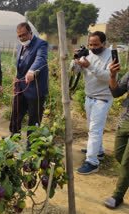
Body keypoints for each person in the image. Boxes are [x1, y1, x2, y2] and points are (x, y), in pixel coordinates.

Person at [70, 31, 113, 175]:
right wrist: (75, 61)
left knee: (94, 129)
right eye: (90, 44)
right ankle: (99, 151)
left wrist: (90, 66)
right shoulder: (87, 54)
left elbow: (109, 77)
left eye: (96, 44)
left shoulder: (111, 55)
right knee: (91, 127)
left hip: (102, 98)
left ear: (104, 44)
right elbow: (76, 71)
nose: (93, 47)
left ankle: (92, 162)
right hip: (89, 97)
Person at [9, 22, 48, 144]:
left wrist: (32, 71)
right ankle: (14, 137)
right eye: (19, 36)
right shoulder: (21, 45)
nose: (22, 38)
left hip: (34, 89)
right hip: (20, 86)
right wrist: (16, 76)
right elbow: (21, 64)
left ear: (31, 33)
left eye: (24, 35)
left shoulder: (41, 44)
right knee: (15, 113)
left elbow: (40, 59)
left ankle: (31, 144)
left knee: (34, 118)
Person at [105, 60, 128, 209]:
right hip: (125, 120)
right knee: (119, 155)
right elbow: (116, 91)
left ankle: (117, 196)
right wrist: (112, 75)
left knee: (127, 163)